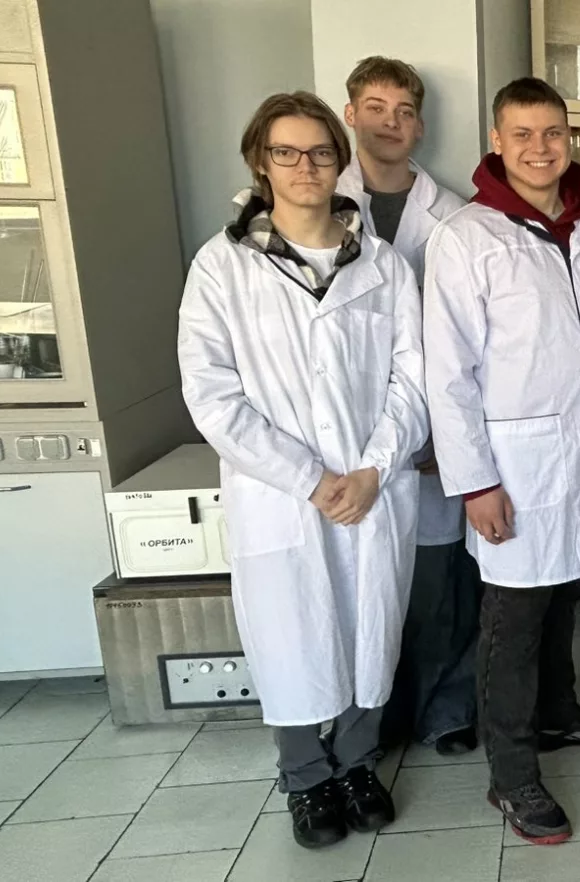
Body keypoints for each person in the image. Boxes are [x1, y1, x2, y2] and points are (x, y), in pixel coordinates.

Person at [177, 91, 428, 849]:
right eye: (285, 152)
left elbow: (413, 378)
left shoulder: (382, 265)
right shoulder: (222, 266)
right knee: (291, 633)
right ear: (261, 162)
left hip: (372, 486)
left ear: (339, 160)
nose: (305, 166)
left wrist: (373, 468)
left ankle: (356, 763)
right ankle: (305, 777)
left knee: (370, 628)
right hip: (282, 495)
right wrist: (309, 479)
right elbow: (212, 395)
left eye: (320, 152)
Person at [424, 77, 580, 846]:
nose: (541, 148)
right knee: (511, 621)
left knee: (564, 593)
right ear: (496, 140)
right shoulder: (467, 237)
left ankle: (559, 712)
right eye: (523, 134)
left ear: (568, 138)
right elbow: (447, 374)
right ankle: (511, 774)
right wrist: (475, 482)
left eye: (553, 133)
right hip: (512, 467)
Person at [332, 56, 480, 759]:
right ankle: (371, 717)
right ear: (350, 114)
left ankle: (443, 709)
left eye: (404, 111)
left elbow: (461, 334)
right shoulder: (313, 204)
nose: (391, 123)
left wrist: (441, 433)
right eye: (376, 108)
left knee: (435, 584)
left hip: (427, 427)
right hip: (343, 433)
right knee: (358, 587)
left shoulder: (453, 215)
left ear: (420, 125)